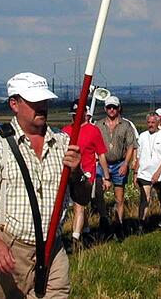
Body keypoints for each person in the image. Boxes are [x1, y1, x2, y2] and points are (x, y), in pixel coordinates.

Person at [0, 72, 90, 297]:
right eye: (34, 102)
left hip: (51, 250)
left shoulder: (63, 143)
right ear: (14, 104)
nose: (41, 107)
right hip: (7, 248)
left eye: (44, 101)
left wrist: (77, 173)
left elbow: (83, 197)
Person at [61, 101, 110, 244]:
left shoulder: (93, 130)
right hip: (70, 173)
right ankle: (87, 230)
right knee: (78, 205)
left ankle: (75, 238)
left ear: (84, 114)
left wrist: (106, 177)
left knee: (79, 205)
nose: (76, 117)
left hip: (87, 174)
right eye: (73, 115)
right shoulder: (65, 131)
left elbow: (101, 154)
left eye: (78, 114)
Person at [95, 96, 138, 231]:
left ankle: (119, 223)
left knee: (119, 197)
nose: (111, 110)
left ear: (119, 108)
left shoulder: (126, 125)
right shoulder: (98, 125)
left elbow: (131, 145)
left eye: (114, 107)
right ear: (105, 109)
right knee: (98, 193)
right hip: (102, 163)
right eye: (109, 107)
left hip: (119, 163)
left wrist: (126, 164)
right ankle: (104, 219)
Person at [134, 113, 161, 228]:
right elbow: (138, 156)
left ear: (158, 123)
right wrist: (136, 172)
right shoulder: (142, 136)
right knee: (145, 198)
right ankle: (141, 223)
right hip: (145, 173)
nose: (150, 125)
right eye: (149, 122)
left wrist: (158, 172)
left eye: (153, 122)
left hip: (160, 174)